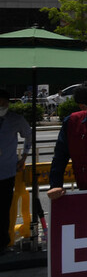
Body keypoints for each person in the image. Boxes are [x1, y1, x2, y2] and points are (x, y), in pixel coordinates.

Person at [0, 90, 31, 253]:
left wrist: (24, 157)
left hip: (6, 171)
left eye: (4, 103)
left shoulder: (15, 119)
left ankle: (3, 243)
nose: (1, 106)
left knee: (4, 208)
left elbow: (28, 136)